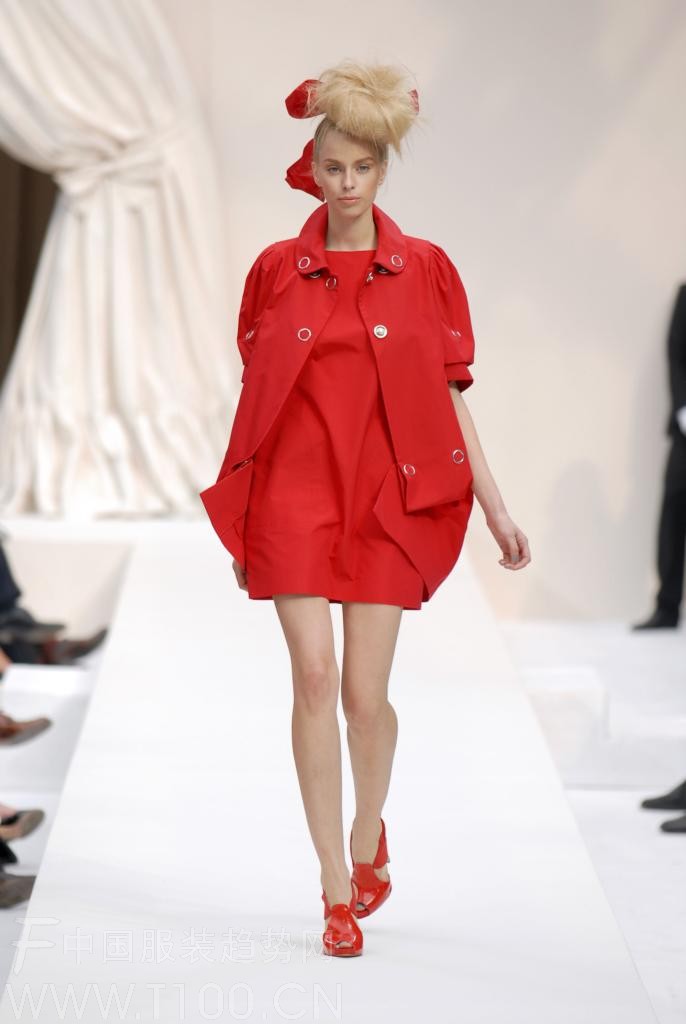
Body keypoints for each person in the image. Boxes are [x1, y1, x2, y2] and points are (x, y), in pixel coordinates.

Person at [200, 61, 530, 957]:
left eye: (363, 168)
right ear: (310, 168)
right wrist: (246, 506)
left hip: (388, 495)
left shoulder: (426, 269)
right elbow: (257, 392)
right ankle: (334, 890)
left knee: (362, 697)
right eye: (333, 167)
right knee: (312, 680)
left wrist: (495, 507)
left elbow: (450, 395)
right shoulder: (275, 270)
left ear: (383, 170)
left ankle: (368, 830)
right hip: (294, 494)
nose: (347, 184)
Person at [633, 283, 686, 629]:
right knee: (673, 511)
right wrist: (683, 411)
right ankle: (667, 606)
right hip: (685, 429)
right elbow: (676, 352)